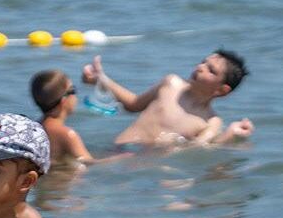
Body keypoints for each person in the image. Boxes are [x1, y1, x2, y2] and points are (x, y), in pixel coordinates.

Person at [82, 52, 254, 148]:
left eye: (211, 70)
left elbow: (201, 148)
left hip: (147, 164)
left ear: (221, 90)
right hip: (120, 147)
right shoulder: (171, 84)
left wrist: (230, 134)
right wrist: (101, 80)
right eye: (203, 62)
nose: (200, 67)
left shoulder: (211, 122)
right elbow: (133, 104)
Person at [31, 70, 94, 165]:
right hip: (61, 175)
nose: (76, 95)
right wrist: (119, 158)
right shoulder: (67, 135)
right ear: (64, 100)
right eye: (73, 90)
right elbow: (91, 165)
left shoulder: (33, 128)